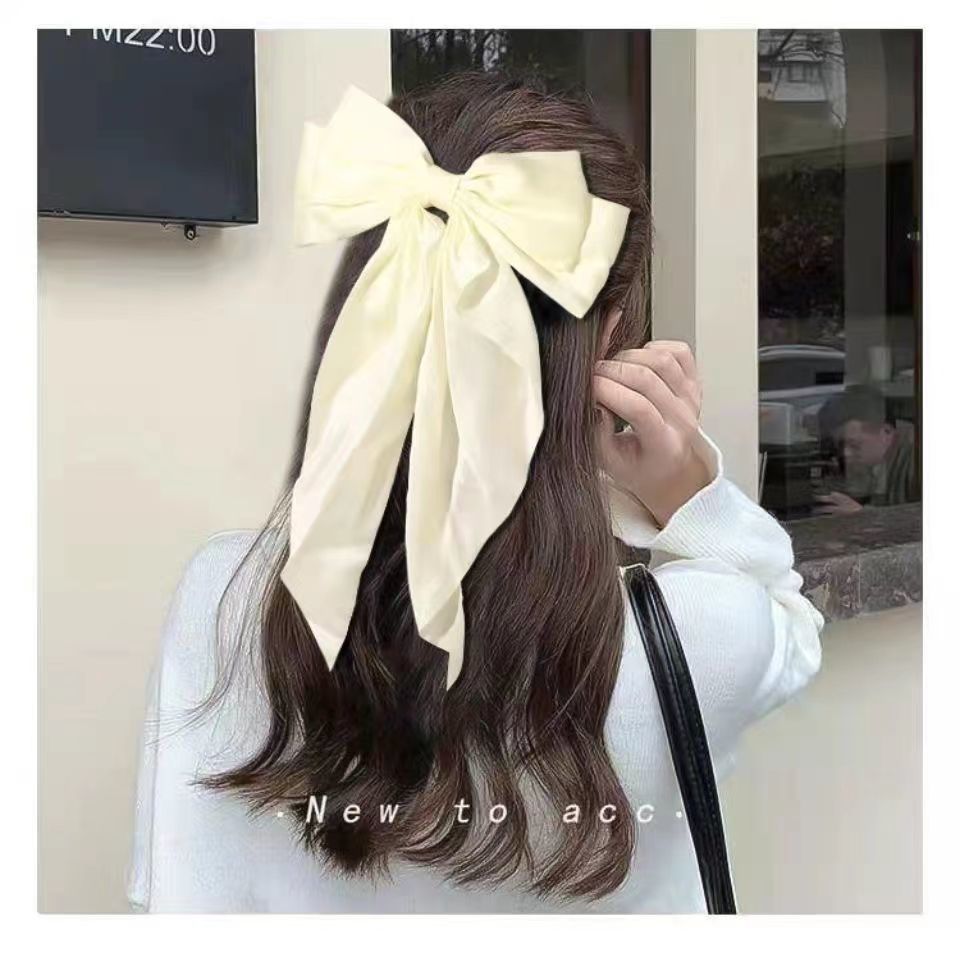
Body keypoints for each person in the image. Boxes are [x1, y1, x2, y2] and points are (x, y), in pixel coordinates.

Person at [127, 73, 824, 914]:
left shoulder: (224, 598)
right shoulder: (700, 630)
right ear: (606, 342)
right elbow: (791, 624)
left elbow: (180, 893)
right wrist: (686, 490)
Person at [814, 384, 919, 515]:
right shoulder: (873, 458)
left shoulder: (918, 458)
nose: (846, 453)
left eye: (854, 445)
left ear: (886, 432)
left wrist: (861, 515)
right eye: (840, 445)